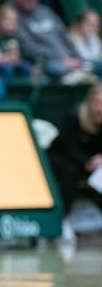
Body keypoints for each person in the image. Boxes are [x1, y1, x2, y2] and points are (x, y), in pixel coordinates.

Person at [48, 84, 102, 240]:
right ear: (90, 102)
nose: (100, 108)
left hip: (93, 163)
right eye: (97, 102)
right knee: (70, 171)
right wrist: (86, 162)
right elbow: (68, 146)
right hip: (63, 158)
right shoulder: (74, 117)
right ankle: (63, 219)